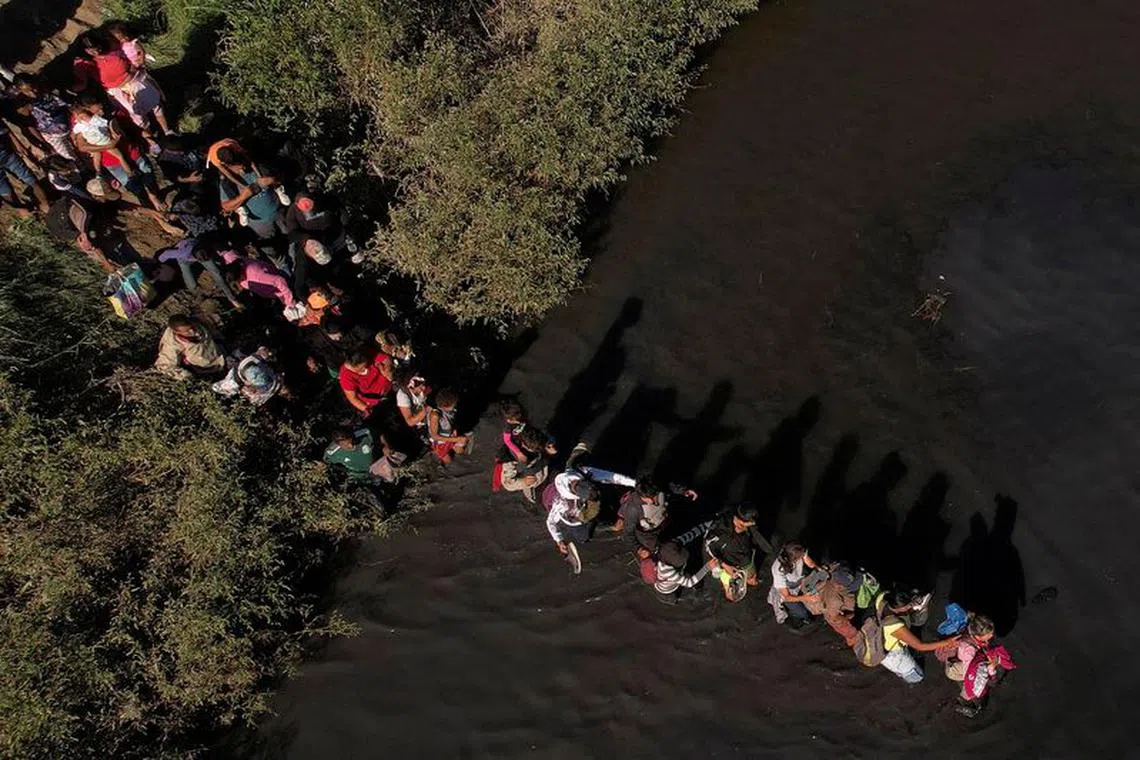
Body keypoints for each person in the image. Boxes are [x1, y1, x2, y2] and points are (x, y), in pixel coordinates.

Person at [545, 455, 636, 557]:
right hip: (576, 519)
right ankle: (608, 527)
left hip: (583, 505)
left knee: (604, 500)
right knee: (583, 537)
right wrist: (559, 540)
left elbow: (611, 477)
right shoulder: (562, 505)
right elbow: (550, 522)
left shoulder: (583, 472)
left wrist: (634, 483)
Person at [873, 588, 959, 684]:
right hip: (893, 655)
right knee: (916, 674)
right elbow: (920, 646)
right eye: (908, 606)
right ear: (900, 608)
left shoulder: (883, 597)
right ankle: (912, 679)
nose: (911, 606)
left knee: (907, 653)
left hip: (884, 638)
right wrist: (947, 642)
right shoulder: (895, 626)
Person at [212, 142, 288, 240]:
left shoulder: (255, 165)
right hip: (260, 223)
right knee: (271, 241)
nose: (242, 167)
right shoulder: (227, 183)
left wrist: (271, 180)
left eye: (241, 162)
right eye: (238, 165)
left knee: (291, 235)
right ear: (227, 166)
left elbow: (281, 177)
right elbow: (226, 206)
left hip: (279, 212)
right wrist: (244, 196)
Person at [704, 503, 771, 602]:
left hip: (747, 559)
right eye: (750, 523)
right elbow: (708, 549)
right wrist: (725, 565)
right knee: (749, 578)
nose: (753, 524)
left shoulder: (748, 526)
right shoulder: (719, 532)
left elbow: (764, 545)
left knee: (752, 576)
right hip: (733, 565)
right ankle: (749, 579)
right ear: (740, 521)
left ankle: (750, 578)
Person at [613, 476, 698, 551]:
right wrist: (638, 549)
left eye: (655, 495)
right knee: (657, 549)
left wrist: (684, 491)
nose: (654, 501)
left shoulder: (656, 488)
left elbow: (670, 486)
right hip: (648, 534)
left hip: (664, 520)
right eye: (649, 498)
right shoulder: (633, 509)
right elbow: (628, 533)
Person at [156, 237, 243, 308]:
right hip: (184, 259)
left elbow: (217, 274)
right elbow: (165, 254)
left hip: (200, 251)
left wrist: (232, 299)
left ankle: (232, 298)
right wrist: (159, 262)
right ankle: (198, 294)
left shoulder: (205, 250)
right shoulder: (181, 254)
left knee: (217, 274)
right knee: (188, 279)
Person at [11, 75, 80, 161]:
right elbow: (30, 127)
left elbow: (69, 105)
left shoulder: (49, 90)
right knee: (70, 156)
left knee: (84, 147)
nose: (33, 93)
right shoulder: (23, 105)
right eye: (27, 92)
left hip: (71, 124)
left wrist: (77, 121)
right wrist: (43, 142)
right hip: (52, 136)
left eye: (33, 88)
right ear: (21, 91)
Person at [43, 195, 115, 272]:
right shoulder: (81, 228)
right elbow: (92, 246)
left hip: (66, 208)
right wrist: (107, 264)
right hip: (63, 215)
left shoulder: (88, 214)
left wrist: (107, 264)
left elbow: (93, 247)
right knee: (90, 243)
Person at [323, 426, 404, 485]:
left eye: (351, 441)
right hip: (358, 477)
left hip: (377, 467)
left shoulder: (364, 433)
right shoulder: (332, 452)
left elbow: (379, 434)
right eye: (346, 445)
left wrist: (386, 446)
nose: (351, 446)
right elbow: (326, 463)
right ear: (338, 445)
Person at [153, 314, 225, 379]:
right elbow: (165, 366)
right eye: (187, 331)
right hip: (204, 369)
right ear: (176, 332)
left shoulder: (197, 322)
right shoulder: (172, 344)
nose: (192, 331)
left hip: (220, 355)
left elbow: (213, 330)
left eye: (191, 327)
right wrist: (186, 376)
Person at [0, 121, 50, 212]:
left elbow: (6, 131)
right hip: (6, 154)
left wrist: (18, 145)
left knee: (6, 192)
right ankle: (45, 207)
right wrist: (18, 145)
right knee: (31, 180)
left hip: (6, 154)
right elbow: (6, 130)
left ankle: (28, 214)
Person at [498, 426, 556, 503]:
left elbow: (549, 438)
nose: (538, 449)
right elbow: (507, 483)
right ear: (523, 444)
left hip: (545, 466)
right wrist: (523, 481)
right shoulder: (510, 460)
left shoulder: (538, 436)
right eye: (535, 449)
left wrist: (550, 446)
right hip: (534, 481)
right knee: (543, 499)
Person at [770, 542, 820, 629]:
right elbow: (786, 597)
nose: (803, 556)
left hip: (799, 579)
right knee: (801, 611)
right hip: (787, 587)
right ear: (793, 558)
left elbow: (810, 563)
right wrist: (805, 598)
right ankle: (801, 618)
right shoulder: (778, 570)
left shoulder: (798, 550)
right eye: (800, 557)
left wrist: (818, 569)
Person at [338, 349, 393, 416]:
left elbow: (386, 359)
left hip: (391, 385)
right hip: (377, 400)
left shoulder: (366, 353)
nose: (365, 369)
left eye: (366, 364)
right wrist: (366, 409)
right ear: (352, 366)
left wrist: (387, 370)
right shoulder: (346, 376)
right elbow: (352, 398)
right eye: (361, 368)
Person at [426, 388, 473, 464]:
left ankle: (452, 447)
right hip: (439, 442)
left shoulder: (451, 410)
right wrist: (456, 439)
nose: (455, 405)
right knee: (449, 462)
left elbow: (451, 421)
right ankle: (435, 451)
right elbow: (434, 436)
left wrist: (454, 430)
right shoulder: (435, 415)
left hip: (450, 435)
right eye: (454, 404)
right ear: (446, 405)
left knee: (460, 451)